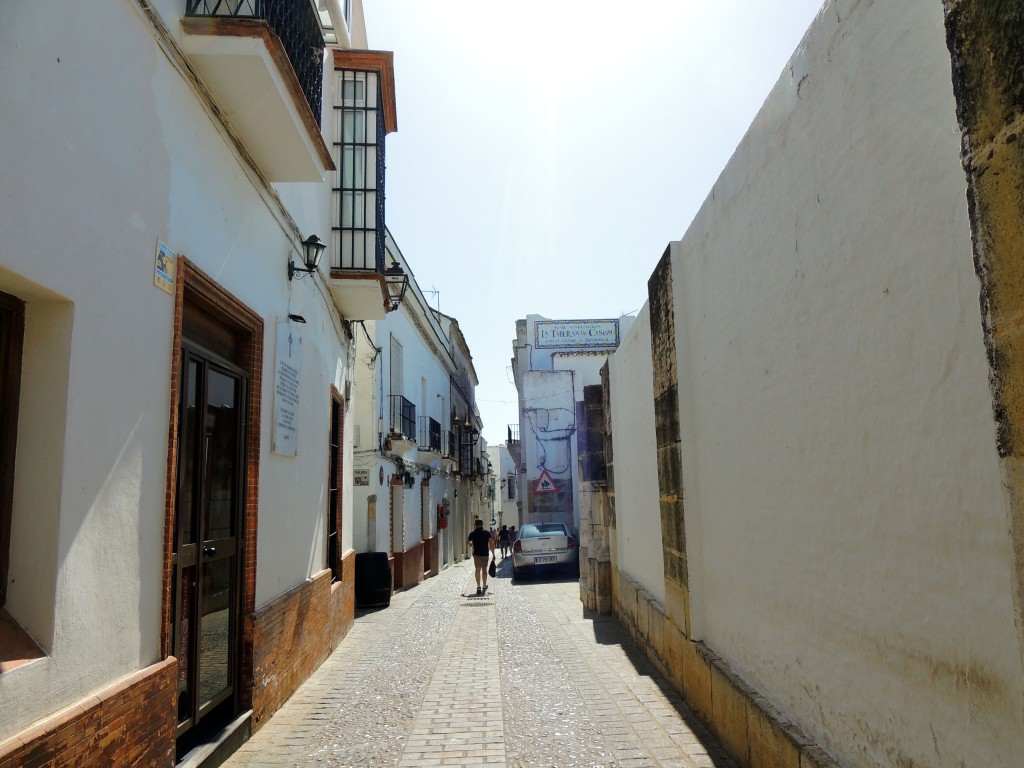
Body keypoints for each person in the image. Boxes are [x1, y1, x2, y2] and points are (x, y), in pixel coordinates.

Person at [467, 518, 495, 595]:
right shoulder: (487, 533)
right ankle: (484, 585)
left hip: (476, 554)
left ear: (475, 525)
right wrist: (493, 554)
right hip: (485, 554)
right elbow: (491, 544)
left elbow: (468, 542)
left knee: (477, 569)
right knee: (484, 569)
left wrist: (471, 544)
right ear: (482, 524)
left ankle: (478, 586)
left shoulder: (472, 533)